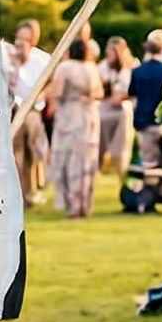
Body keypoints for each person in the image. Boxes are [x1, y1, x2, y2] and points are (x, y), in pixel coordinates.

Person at [50, 37, 103, 217]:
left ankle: (72, 205)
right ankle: (85, 204)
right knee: (86, 161)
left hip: (70, 115)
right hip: (89, 115)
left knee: (68, 159)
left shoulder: (65, 68)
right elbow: (99, 92)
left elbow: (57, 92)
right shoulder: (92, 68)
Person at [7, 20, 52, 207]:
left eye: (25, 38)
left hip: (33, 110)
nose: (21, 43)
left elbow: (51, 83)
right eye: (19, 38)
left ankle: (34, 189)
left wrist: (40, 96)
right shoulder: (9, 58)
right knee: (16, 153)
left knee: (33, 154)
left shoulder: (42, 59)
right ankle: (20, 194)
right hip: (14, 111)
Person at [130, 30, 162, 204]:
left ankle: (148, 199)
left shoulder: (138, 71)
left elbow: (133, 95)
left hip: (144, 121)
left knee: (149, 163)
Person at [97, 36, 136, 181]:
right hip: (105, 107)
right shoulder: (102, 67)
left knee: (122, 141)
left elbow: (128, 91)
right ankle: (98, 166)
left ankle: (121, 168)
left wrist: (121, 97)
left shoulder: (129, 68)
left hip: (122, 109)